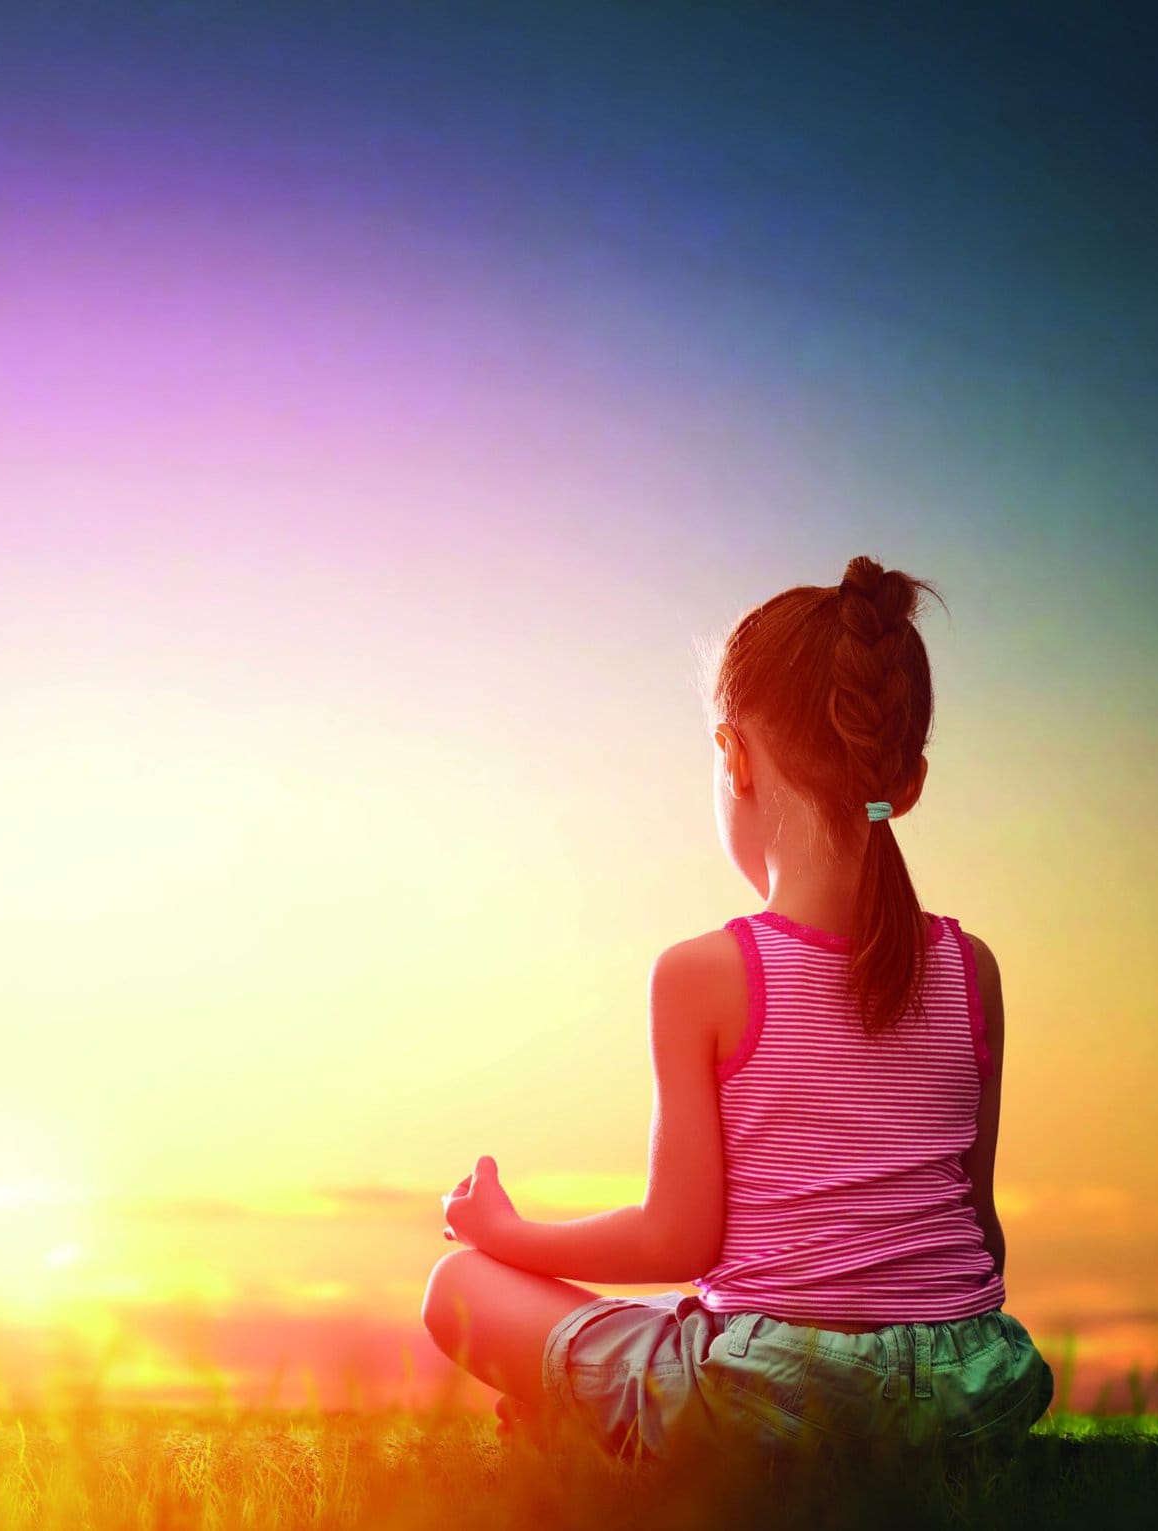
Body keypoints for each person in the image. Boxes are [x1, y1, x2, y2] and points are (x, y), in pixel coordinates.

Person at [420, 555, 1055, 1464]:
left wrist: (507, 1233)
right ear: (908, 779)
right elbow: (979, 1235)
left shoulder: (704, 973)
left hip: (776, 1394)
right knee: (704, 1330)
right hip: (971, 1388)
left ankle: (599, 1415)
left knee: (457, 1286)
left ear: (735, 756)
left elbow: (680, 1235)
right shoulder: (973, 970)